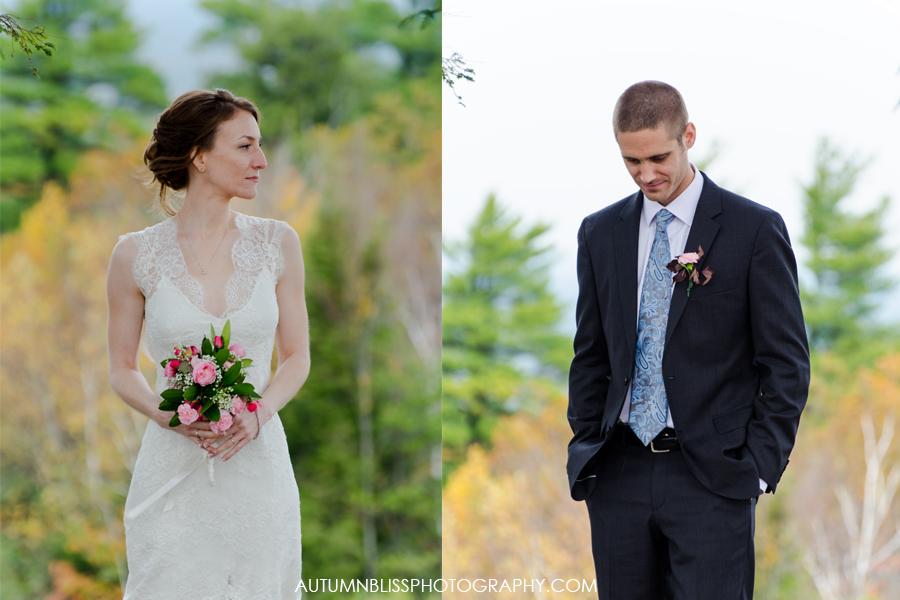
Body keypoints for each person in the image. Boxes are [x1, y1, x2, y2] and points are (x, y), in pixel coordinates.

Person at [566, 81, 810, 599]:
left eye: (658, 157)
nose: (646, 174)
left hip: (713, 480)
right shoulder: (599, 232)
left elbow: (786, 364)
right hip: (619, 475)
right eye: (631, 161)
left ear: (689, 136)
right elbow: (590, 353)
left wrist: (757, 470)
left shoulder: (754, 229)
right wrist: (586, 442)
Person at [107, 88, 308, 599]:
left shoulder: (278, 242)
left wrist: (258, 413)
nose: (260, 161)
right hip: (171, 471)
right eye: (244, 147)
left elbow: (297, 358)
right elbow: (123, 369)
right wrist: (168, 414)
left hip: (258, 469)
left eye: (259, 146)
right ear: (199, 154)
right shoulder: (134, 255)